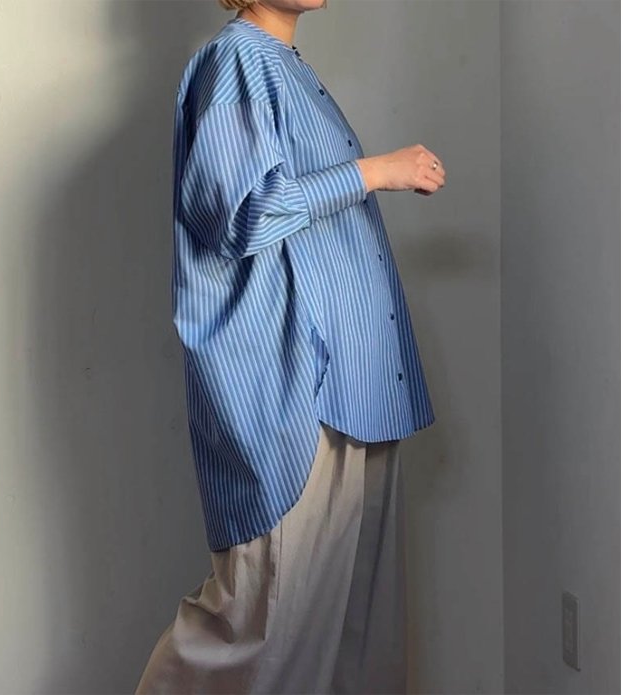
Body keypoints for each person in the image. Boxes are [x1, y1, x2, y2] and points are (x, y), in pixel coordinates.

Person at [135, 0, 445, 692]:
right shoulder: (236, 60)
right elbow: (240, 216)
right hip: (300, 391)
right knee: (261, 623)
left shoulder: (286, 67)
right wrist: (374, 172)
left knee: (354, 636)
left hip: (355, 388)